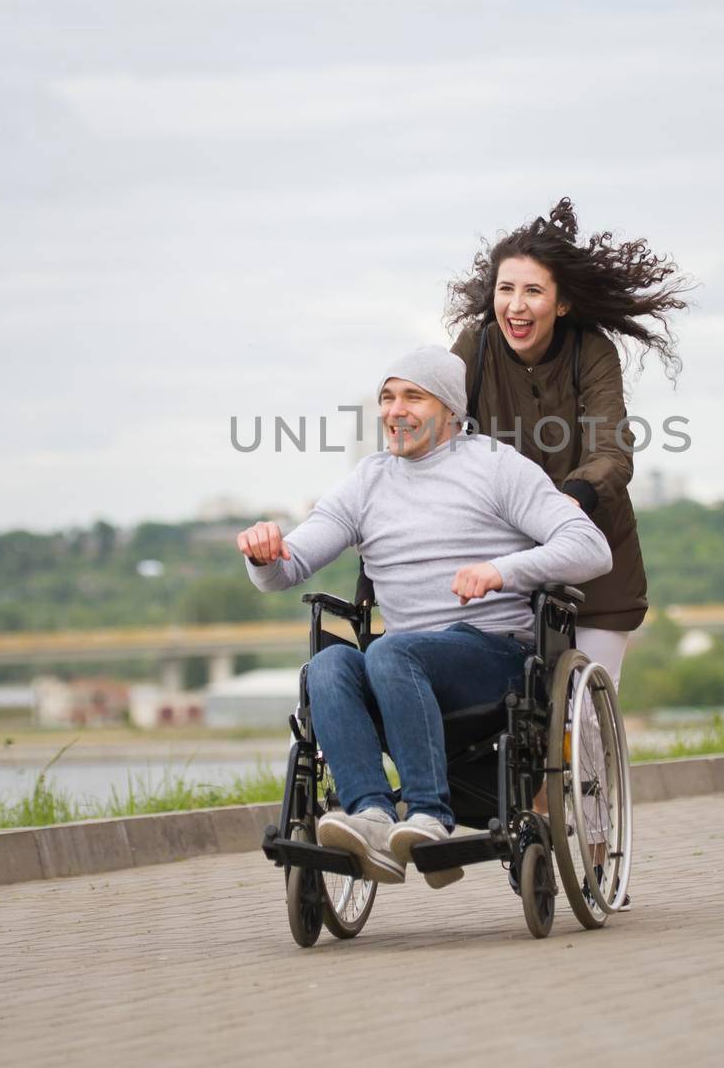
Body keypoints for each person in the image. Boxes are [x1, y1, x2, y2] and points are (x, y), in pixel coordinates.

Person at [238, 345, 611, 889]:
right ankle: (370, 816)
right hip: (404, 667)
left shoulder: (496, 466)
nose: (395, 410)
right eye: (387, 398)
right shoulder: (366, 482)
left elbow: (590, 547)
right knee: (329, 666)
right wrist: (263, 555)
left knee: (391, 649)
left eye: (413, 396)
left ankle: (430, 816)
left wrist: (502, 570)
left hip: (493, 656)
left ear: (452, 410)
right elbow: (286, 569)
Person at [448, 197, 689, 693]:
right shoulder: (475, 348)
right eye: (506, 289)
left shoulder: (591, 350)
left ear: (561, 303)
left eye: (533, 291)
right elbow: (432, 432)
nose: (516, 305)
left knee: (585, 706)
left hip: (594, 555)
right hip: (505, 557)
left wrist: (568, 501)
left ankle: (592, 769)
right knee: (508, 710)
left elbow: (611, 450)